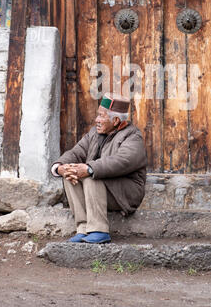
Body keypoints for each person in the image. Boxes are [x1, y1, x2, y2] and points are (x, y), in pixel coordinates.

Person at [51, 92, 147, 244]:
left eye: (102, 116)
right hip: (101, 191)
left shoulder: (132, 136)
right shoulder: (95, 133)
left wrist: (89, 168)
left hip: (125, 194)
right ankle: (83, 228)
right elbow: (77, 152)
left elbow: (122, 161)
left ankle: (99, 230)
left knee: (91, 177)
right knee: (71, 176)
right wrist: (60, 167)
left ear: (116, 120)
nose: (97, 120)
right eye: (98, 115)